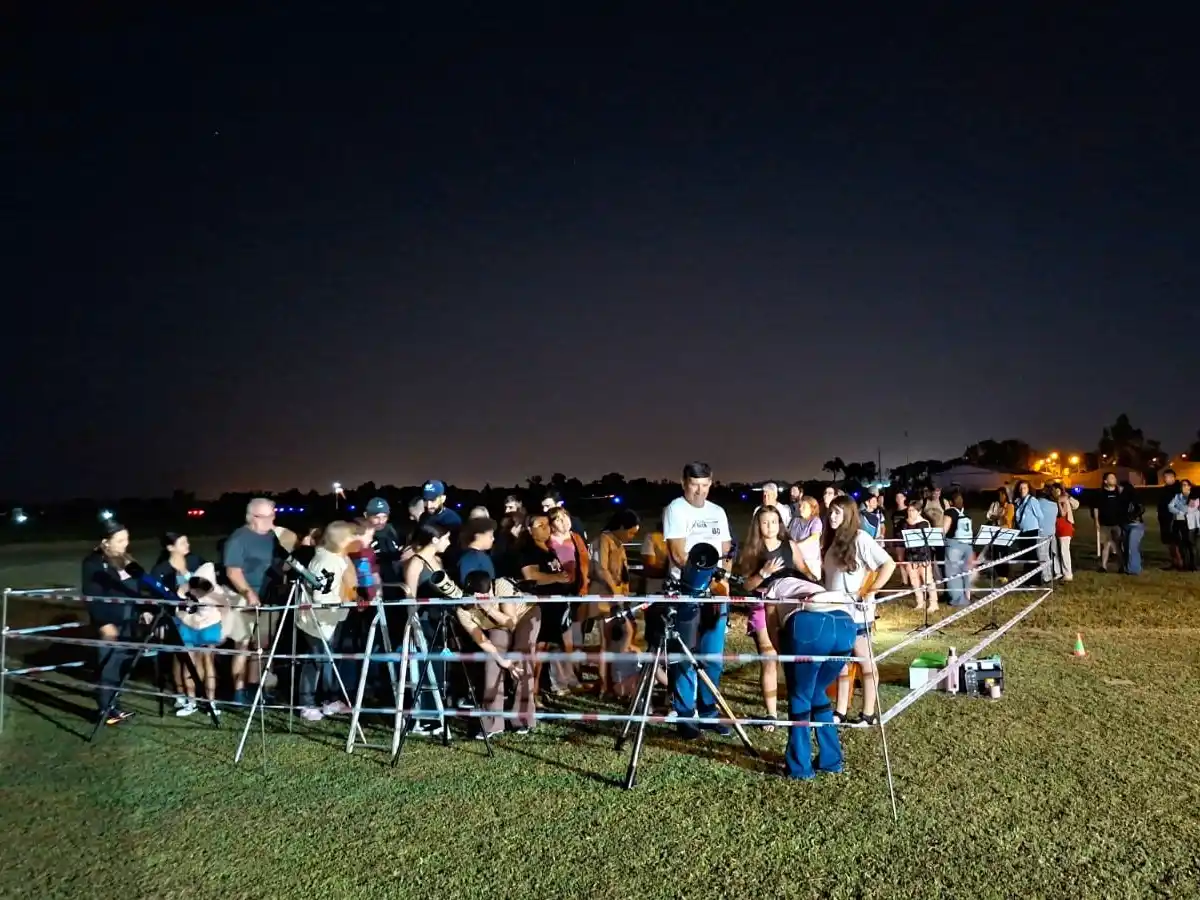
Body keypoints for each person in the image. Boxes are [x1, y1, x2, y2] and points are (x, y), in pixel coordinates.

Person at [660, 461, 732, 740]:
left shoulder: (718, 512)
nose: (700, 492)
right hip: (686, 592)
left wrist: (723, 581)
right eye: (694, 486)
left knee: (712, 658)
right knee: (686, 656)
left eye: (705, 486)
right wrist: (701, 575)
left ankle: (709, 712)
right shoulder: (676, 509)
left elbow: (726, 551)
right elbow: (678, 554)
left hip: (715, 595)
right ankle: (685, 715)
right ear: (684, 483)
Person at [764, 577, 857, 779]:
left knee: (800, 695)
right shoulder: (812, 585)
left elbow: (771, 627)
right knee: (817, 692)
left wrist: (786, 656)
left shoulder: (773, 586)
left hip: (810, 625)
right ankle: (831, 760)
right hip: (846, 625)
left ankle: (799, 768)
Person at [734, 506, 808, 730]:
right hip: (761, 605)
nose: (770, 526)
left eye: (774, 522)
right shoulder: (751, 550)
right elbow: (745, 585)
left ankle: (800, 707)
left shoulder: (790, 546)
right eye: (765, 522)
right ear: (758, 525)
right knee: (769, 659)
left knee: (792, 658)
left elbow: (804, 570)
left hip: (788, 605)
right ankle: (772, 714)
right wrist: (763, 574)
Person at [823, 496, 895, 725]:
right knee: (842, 663)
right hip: (835, 613)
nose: (832, 516)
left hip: (856, 614)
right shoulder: (831, 541)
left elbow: (888, 564)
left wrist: (870, 591)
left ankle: (868, 713)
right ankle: (840, 711)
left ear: (848, 515)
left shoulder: (861, 538)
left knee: (864, 661)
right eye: (830, 512)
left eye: (837, 512)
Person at [81, 521, 152, 726]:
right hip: (109, 621)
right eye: (120, 540)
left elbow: (138, 588)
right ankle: (105, 709)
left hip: (129, 619)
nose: (125, 544)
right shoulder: (93, 562)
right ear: (105, 542)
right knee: (108, 666)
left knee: (121, 665)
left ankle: (115, 705)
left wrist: (144, 610)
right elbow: (92, 595)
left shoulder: (128, 560)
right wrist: (103, 623)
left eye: (127, 539)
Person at [223, 498, 289, 707]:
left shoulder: (273, 537)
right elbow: (233, 571)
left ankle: (256, 687)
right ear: (252, 517)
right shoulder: (238, 539)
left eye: (273, 514)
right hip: (245, 599)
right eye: (267, 516)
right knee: (243, 645)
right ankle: (238, 691)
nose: (272, 519)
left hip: (269, 597)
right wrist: (248, 592)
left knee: (261, 646)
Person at [297, 521, 359, 721]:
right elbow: (321, 596)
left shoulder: (336, 557)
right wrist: (342, 602)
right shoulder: (327, 561)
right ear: (341, 541)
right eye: (351, 537)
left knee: (327, 661)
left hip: (330, 620)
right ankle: (306, 703)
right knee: (315, 661)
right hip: (318, 621)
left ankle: (329, 700)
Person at [400, 521, 456, 736]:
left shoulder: (437, 560)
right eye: (446, 537)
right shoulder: (416, 563)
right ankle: (423, 717)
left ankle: (436, 715)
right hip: (422, 620)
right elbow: (410, 596)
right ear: (434, 539)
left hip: (438, 620)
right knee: (424, 669)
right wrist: (413, 623)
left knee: (437, 668)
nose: (449, 542)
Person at [150, 531, 206, 715]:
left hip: (197, 616)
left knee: (192, 656)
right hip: (175, 618)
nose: (187, 545)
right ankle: (185, 697)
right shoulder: (161, 570)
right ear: (170, 547)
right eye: (182, 542)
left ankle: (196, 697)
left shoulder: (195, 561)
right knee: (181, 656)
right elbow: (155, 595)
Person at [900, 504, 937, 611]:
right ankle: (920, 602)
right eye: (909, 510)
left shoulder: (924, 523)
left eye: (913, 510)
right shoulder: (904, 523)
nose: (910, 513)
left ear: (919, 512)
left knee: (927, 579)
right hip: (910, 556)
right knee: (914, 580)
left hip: (923, 555)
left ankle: (933, 603)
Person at [941, 492, 975, 606]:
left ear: (950, 502)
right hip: (967, 545)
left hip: (954, 545)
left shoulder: (950, 512)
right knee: (966, 572)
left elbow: (944, 530)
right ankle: (968, 597)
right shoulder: (966, 513)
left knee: (953, 572)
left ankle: (957, 600)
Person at [1092, 473, 1126, 573]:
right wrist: (1096, 521)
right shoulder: (1100, 493)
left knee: (1118, 545)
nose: (1114, 479)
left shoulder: (1119, 492)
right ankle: (1103, 566)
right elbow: (1096, 508)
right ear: (1105, 481)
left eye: (1114, 478)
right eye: (1111, 478)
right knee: (1105, 545)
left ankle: (1122, 566)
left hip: (1117, 523)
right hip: (1104, 524)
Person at [457, 517, 498, 585]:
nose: (493, 539)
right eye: (490, 536)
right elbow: (466, 583)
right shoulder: (471, 558)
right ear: (478, 536)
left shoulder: (477, 555)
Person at [1157, 469, 1184, 570]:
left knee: (1175, 541)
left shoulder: (1178, 489)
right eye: (1164, 477)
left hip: (1174, 518)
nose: (1165, 479)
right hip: (1164, 518)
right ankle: (1174, 562)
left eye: (1167, 477)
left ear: (1173, 477)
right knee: (1168, 541)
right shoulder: (1165, 489)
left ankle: (1180, 562)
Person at [1119, 482, 1146, 575]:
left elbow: (1141, 508)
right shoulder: (1121, 499)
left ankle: (1134, 569)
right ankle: (1127, 567)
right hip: (1125, 525)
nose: (1119, 489)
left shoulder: (1134, 498)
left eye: (1120, 487)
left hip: (1135, 525)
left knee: (1132, 547)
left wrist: (1132, 516)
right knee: (1126, 547)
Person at [1051, 485, 1076, 581]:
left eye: (1058, 490)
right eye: (1054, 491)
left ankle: (1068, 574)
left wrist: (1059, 501)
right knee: (1056, 551)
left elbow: (1063, 513)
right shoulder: (1053, 501)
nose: (1056, 492)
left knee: (1064, 551)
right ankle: (1059, 572)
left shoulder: (1064, 499)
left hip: (1065, 527)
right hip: (1056, 528)